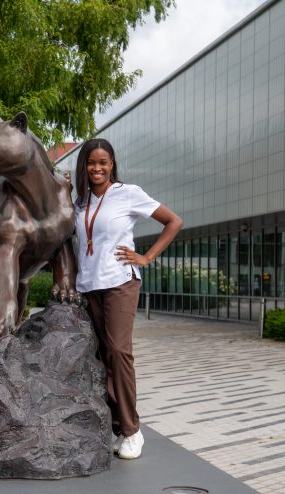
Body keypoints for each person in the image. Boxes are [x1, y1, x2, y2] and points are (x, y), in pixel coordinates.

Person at [73, 138, 182, 460]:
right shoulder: (79, 202)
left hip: (120, 281)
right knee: (103, 356)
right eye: (92, 163)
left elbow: (174, 221)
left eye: (103, 162)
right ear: (84, 166)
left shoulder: (128, 193)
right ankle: (119, 427)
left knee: (119, 351)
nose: (97, 168)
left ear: (112, 165)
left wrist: (146, 256)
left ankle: (133, 430)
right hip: (88, 284)